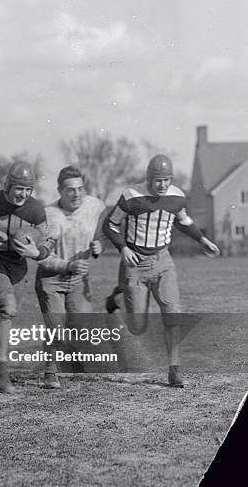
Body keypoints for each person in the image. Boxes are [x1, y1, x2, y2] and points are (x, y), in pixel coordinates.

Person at [102, 154, 220, 387]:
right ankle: (118, 297)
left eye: (167, 180)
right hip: (135, 262)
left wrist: (203, 240)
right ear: (149, 178)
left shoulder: (176, 196)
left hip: (163, 260)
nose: (163, 185)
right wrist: (122, 248)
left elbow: (182, 220)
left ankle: (174, 369)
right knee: (137, 327)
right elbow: (110, 224)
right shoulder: (131, 196)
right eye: (158, 180)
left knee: (172, 313)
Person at [0, 161, 53, 394]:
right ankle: (2, 370)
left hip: (17, 267)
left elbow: (48, 240)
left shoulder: (35, 209)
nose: (23, 194)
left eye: (28, 190)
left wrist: (37, 252)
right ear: (7, 184)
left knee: (2, 314)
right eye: (18, 188)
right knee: (7, 307)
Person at [35, 166, 107, 388]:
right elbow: (40, 257)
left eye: (80, 189)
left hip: (78, 279)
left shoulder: (95, 206)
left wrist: (99, 246)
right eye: (70, 190)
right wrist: (68, 264)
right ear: (59, 191)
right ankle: (50, 371)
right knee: (56, 327)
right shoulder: (47, 215)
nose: (76, 194)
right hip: (51, 278)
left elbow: (102, 233)